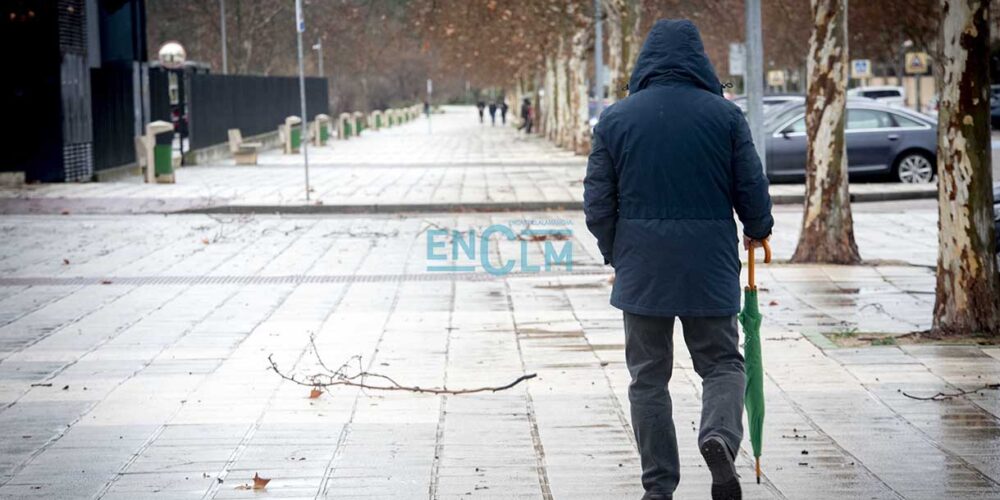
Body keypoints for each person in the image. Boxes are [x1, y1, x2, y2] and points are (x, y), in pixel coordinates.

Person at [583, 19, 773, 500]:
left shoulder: (615, 119)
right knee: (723, 364)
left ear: (645, 62)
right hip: (709, 264)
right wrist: (758, 229)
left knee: (648, 378)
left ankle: (658, 487)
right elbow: (751, 185)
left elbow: (597, 204)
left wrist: (615, 252)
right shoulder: (725, 116)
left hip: (641, 267)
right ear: (699, 60)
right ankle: (719, 436)